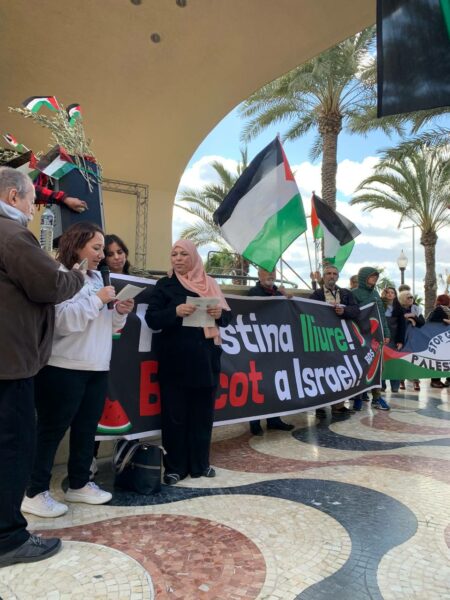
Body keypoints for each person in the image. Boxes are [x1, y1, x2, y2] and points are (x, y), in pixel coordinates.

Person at [0, 167, 84, 567]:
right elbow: (50, 285)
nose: (34, 208)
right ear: (12, 197)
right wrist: (76, 278)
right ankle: (8, 538)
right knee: (13, 447)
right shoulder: (13, 235)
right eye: (32, 200)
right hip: (10, 363)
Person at [21, 222, 134, 518]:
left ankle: (80, 483)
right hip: (63, 367)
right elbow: (61, 322)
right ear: (77, 245)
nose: (102, 255)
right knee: (51, 431)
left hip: (97, 366)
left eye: (102, 249)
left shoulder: (98, 278)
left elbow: (108, 327)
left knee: (86, 429)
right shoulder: (58, 275)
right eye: (96, 248)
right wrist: (97, 300)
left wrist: (119, 313)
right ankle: (33, 491)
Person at [145, 239, 232, 485]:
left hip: (206, 361)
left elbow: (228, 318)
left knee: (202, 416)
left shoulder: (209, 283)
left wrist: (219, 314)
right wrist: (175, 312)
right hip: (175, 362)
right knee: (174, 417)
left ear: (193, 257)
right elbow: (152, 319)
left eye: (183, 254)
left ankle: (200, 465)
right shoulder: (165, 285)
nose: (178, 259)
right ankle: (175, 468)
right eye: (174, 254)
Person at [247, 268, 295, 434]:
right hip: (259, 345)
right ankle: (255, 422)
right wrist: (279, 297)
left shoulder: (278, 292)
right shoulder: (254, 292)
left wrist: (286, 298)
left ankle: (274, 420)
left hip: (277, 344)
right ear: (259, 274)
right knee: (258, 384)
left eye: (273, 271)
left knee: (275, 382)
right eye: (266, 271)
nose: (270, 274)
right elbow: (257, 310)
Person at [310, 264, 360, 414]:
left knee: (339, 371)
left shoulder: (346, 293)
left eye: (334, 274)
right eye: (328, 273)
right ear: (323, 277)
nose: (331, 276)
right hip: (322, 338)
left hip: (341, 339)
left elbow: (356, 310)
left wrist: (344, 311)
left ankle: (338, 405)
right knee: (322, 371)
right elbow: (310, 312)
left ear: (338, 277)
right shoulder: (317, 294)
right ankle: (320, 405)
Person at [352, 267, 391, 410]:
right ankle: (357, 397)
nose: (374, 279)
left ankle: (377, 397)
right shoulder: (354, 293)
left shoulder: (375, 293)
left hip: (376, 336)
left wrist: (386, 333)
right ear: (364, 277)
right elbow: (354, 312)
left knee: (378, 367)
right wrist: (371, 302)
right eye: (372, 276)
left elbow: (381, 315)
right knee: (361, 367)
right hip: (361, 336)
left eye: (376, 276)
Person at [380, 287, 406, 393]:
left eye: (392, 292)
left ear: (395, 295)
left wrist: (400, 341)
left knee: (395, 363)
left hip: (395, 340)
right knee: (381, 363)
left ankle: (395, 386)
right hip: (382, 339)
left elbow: (402, 326)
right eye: (388, 292)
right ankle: (381, 385)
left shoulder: (399, 309)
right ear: (384, 294)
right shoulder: (379, 307)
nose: (390, 294)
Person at [398, 290, 424, 391]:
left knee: (415, 359)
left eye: (411, 297)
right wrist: (407, 319)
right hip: (403, 337)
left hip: (414, 338)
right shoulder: (399, 309)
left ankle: (416, 381)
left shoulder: (416, 309)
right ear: (403, 299)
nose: (411, 299)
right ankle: (401, 380)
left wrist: (413, 316)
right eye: (408, 297)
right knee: (403, 358)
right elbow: (398, 322)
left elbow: (422, 322)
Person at [427, 294, 450, 388]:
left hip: (442, 339)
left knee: (441, 360)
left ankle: (438, 380)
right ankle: (435, 381)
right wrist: (445, 321)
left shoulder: (442, 309)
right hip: (441, 339)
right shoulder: (440, 309)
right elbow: (433, 321)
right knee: (439, 360)